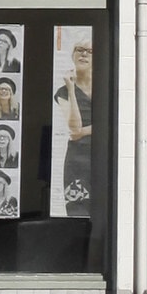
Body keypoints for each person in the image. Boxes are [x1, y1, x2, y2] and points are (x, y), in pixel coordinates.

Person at [56, 36, 95, 211]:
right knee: (77, 213)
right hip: (77, 161)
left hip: (101, 156)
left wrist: (84, 131)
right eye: (79, 50)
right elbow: (74, 128)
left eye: (89, 51)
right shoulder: (63, 92)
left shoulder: (106, 86)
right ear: (73, 55)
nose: (84, 54)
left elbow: (110, 125)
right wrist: (71, 90)